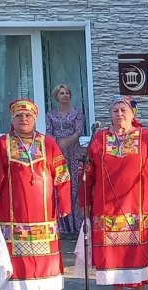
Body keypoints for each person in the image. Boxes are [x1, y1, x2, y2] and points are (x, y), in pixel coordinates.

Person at [0, 99, 72, 290]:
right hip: (14, 213)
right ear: (12, 119)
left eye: (28, 116)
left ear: (35, 119)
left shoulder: (47, 143)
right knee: (20, 260)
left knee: (45, 258)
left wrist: (65, 201)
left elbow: (63, 175)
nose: (24, 119)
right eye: (19, 116)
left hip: (44, 212)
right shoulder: (2, 144)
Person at [81, 96, 148, 290]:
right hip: (106, 205)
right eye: (115, 110)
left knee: (138, 248)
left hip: (139, 204)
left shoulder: (147, 138)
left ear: (133, 114)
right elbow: (86, 172)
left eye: (123, 110)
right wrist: (85, 201)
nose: (119, 114)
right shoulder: (99, 140)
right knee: (113, 251)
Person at [46, 84, 86, 234]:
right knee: (59, 183)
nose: (65, 95)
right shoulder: (50, 115)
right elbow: (49, 132)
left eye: (67, 93)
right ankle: (61, 223)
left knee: (74, 184)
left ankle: (75, 223)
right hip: (56, 151)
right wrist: (57, 145)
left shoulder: (77, 113)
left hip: (73, 151)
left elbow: (78, 132)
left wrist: (66, 142)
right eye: (62, 93)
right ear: (56, 96)